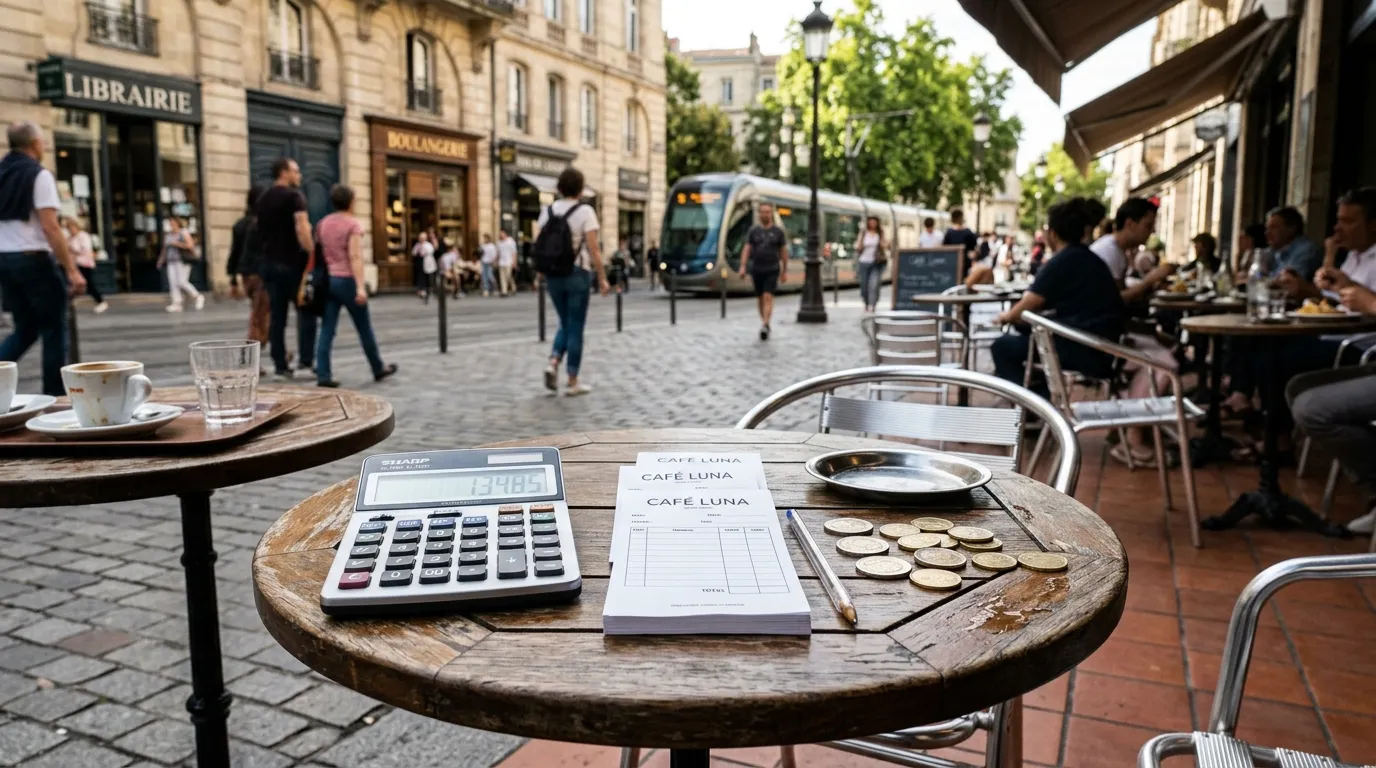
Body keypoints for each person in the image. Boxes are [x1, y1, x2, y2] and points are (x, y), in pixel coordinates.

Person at [1287, 190, 1376, 534]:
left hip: (1358, 346)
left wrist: (1370, 303)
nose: (1339, 228)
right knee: (1297, 385)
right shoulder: (1354, 256)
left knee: (1310, 406)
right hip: (1358, 350)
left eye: (1347, 220)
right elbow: (1337, 297)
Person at [991, 198, 1125, 397]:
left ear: (1052, 233)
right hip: (1102, 345)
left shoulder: (1062, 261)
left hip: (1083, 348)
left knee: (1002, 347)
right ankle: (1041, 397)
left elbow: (1028, 305)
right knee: (1027, 336)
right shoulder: (1090, 259)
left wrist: (1005, 317)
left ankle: (1034, 405)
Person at [0, 121, 86, 396]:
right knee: (53, 330)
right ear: (36, 144)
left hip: (6, 261)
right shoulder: (39, 175)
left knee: (25, 328)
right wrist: (72, 270)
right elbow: (50, 226)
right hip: (34, 260)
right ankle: (55, 398)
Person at [313, 184, 398, 388]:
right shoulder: (352, 225)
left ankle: (323, 373)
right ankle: (377, 368)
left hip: (328, 281)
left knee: (327, 329)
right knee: (364, 327)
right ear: (351, 201)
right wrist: (360, 287)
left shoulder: (322, 224)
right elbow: (355, 256)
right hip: (347, 280)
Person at [537, 167, 608, 396]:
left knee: (564, 322)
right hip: (577, 273)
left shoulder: (547, 211)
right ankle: (572, 380)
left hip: (553, 275)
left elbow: (541, 245)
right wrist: (602, 277)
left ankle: (553, 361)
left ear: (559, 187)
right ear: (580, 188)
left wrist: (540, 272)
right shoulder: (585, 211)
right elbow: (594, 249)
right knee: (575, 325)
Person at [255, 156, 316, 380]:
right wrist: (311, 253)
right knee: (306, 312)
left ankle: (280, 365)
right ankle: (306, 362)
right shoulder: (294, 197)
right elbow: (302, 228)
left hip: (269, 264)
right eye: (295, 171)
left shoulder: (262, 198)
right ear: (284, 172)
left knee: (277, 317)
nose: (299, 176)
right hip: (292, 265)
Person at [737, 201, 789, 340]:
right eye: (763, 212)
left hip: (772, 269)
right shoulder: (753, 231)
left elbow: (783, 252)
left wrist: (784, 271)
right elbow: (747, 249)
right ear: (759, 214)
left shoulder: (778, 232)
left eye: (767, 212)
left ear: (771, 213)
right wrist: (742, 266)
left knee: (767, 296)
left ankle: (765, 324)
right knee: (760, 298)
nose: (765, 214)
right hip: (757, 269)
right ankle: (765, 321)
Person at [228, 185, 269, 348]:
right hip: (260, 274)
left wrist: (233, 279)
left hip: (246, 275)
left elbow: (234, 253)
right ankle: (251, 355)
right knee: (260, 316)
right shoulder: (260, 224)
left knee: (261, 312)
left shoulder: (239, 224)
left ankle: (274, 349)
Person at [1268, 206, 1324, 296]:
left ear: (1291, 228)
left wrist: (1259, 281)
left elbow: (1286, 282)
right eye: (1267, 228)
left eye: (1274, 227)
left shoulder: (1306, 249)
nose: (1267, 232)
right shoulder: (1279, 251)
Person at [157, 216, 203, 312]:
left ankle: (197, 296)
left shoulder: (183, 232)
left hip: (182, 260)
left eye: (173, 222)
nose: (171, 225)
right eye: (170, 223)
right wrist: (161, 260)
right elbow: (165, 249)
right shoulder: (168, 235)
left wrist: (177, 244)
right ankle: (177, 303)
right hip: (171, 261)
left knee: (182, 281)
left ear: (177, 223)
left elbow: (190, 245)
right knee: (173, 283)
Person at [64, 217, 106, 313]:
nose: (70, 231)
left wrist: (71, 248)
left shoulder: (83, 236)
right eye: (68, 229)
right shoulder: (70, 238)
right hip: (75, 264)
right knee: (72, 283)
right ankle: (68, 301)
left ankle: (100, 301)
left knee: (89, 284)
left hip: (84, 263)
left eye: (71, 228)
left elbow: (84, 249)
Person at [853, 216, 887, 313]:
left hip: (876, 263)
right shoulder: (863, 233)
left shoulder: (880, 233)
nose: (872, 224)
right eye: (870, 222)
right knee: (864, 286)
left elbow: (885, 245)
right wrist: (860, 245)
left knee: (874, 285)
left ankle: (873, 305)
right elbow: (857, 246)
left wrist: (882, 244)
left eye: (874, 222)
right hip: (863, 262)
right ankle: (866, 303)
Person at [496, 229, 518, 296]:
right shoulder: (499, 243)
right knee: (502, 277)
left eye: (502, 233)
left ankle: (513, 287)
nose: (501, 235)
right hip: (501, 262)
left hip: (509, 261)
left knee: (508, 276)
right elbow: (498, 253)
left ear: (505, 234)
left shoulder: (510, 241)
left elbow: (514, 252)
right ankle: (504, 291)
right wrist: (496, 261)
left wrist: (514, 262)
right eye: (500, 234)